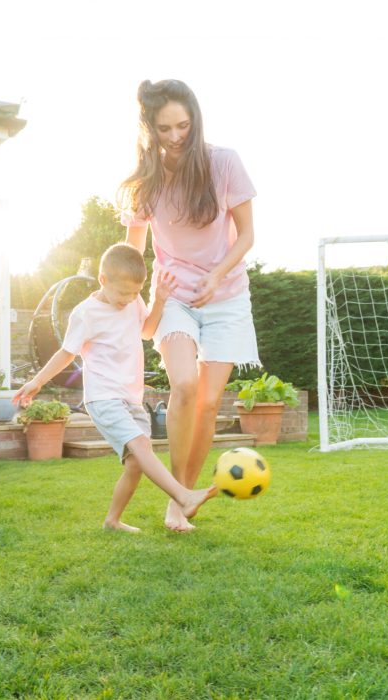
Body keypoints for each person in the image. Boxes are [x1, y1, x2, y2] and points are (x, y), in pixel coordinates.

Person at [119, 79, 261, 532]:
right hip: (176, 297)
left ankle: (182, 497)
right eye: (165, 129)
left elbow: (249, 236)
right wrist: (130, 299)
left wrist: (217, 276)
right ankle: (177, 498)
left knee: (208, 401)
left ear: (195, 121)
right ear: (150, 128)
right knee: (183, 385)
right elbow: (132, 252)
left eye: (183, 125)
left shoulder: (223, 163)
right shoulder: (147, 182)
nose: (176, 135)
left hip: (227, 296)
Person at [13, 243, 217, 533]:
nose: (128, 299)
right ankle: (183, 495)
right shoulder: (85, 313)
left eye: (135, 292)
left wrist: (158, 300)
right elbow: (66, 353)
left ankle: (112, 520)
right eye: (123, 293)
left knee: (135, 464)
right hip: (103, 397)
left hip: (131, 397)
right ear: (103, 280)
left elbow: (146, 332)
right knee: (142, 446)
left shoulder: (134, 303)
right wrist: (36, 382)